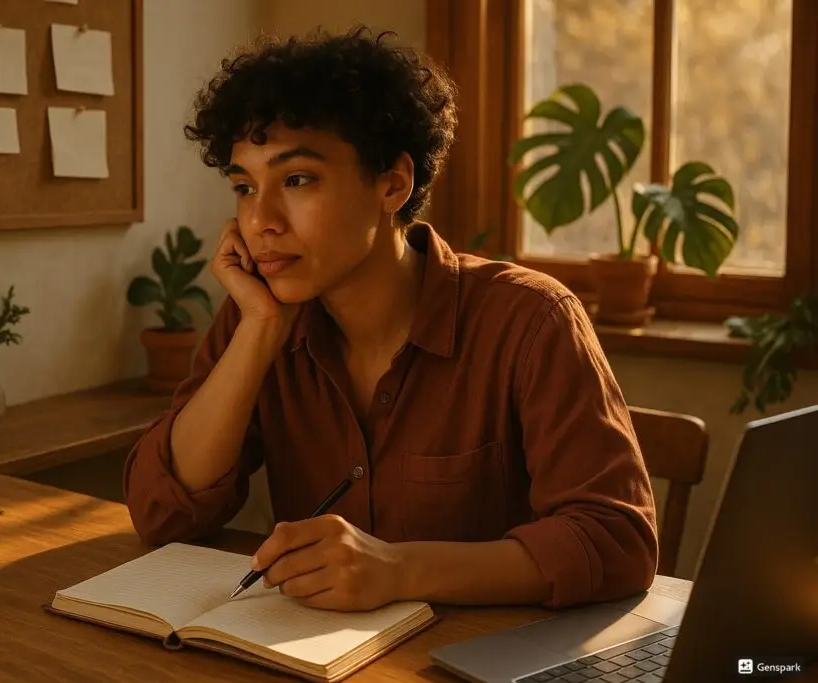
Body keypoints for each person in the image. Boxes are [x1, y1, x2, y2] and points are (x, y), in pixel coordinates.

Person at [124, 27, 658, 612]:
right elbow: (162, 512)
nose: (260, 221)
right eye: (244, 187)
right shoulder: (260, 314)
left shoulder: (530, 320)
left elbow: (617, 540)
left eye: (297, 179)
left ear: (393, 183)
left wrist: (400, 569)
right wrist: (257, 332)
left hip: (485, 660)